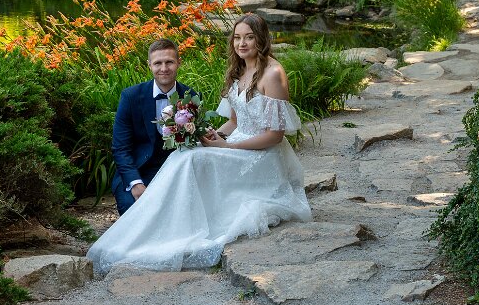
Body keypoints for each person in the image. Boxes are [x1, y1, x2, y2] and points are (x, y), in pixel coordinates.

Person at [87, 14, 311, 274]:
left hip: (262, 152)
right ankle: (173, 221)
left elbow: (276, 135)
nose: (242, 43)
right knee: (191, 153)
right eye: (237, 37)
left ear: (261, 39)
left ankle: (185, 227)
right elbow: (235, 121)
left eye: (249, 37)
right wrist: (213, 135)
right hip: (236, 142)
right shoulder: (239, 71)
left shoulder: (273, 73)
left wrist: (226, 147)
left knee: (191, 157)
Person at [111, 38, 196, 215]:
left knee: (182, 213)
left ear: (178, 63)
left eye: (169, 62)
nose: (164, 68)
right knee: (134, 212)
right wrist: (135, 183)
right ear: (149, 65)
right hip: (139, 170)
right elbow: (120, 148)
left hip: (176, 172)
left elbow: (194, 140)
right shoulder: (131, 97)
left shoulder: (190, 96)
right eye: (158, 63)